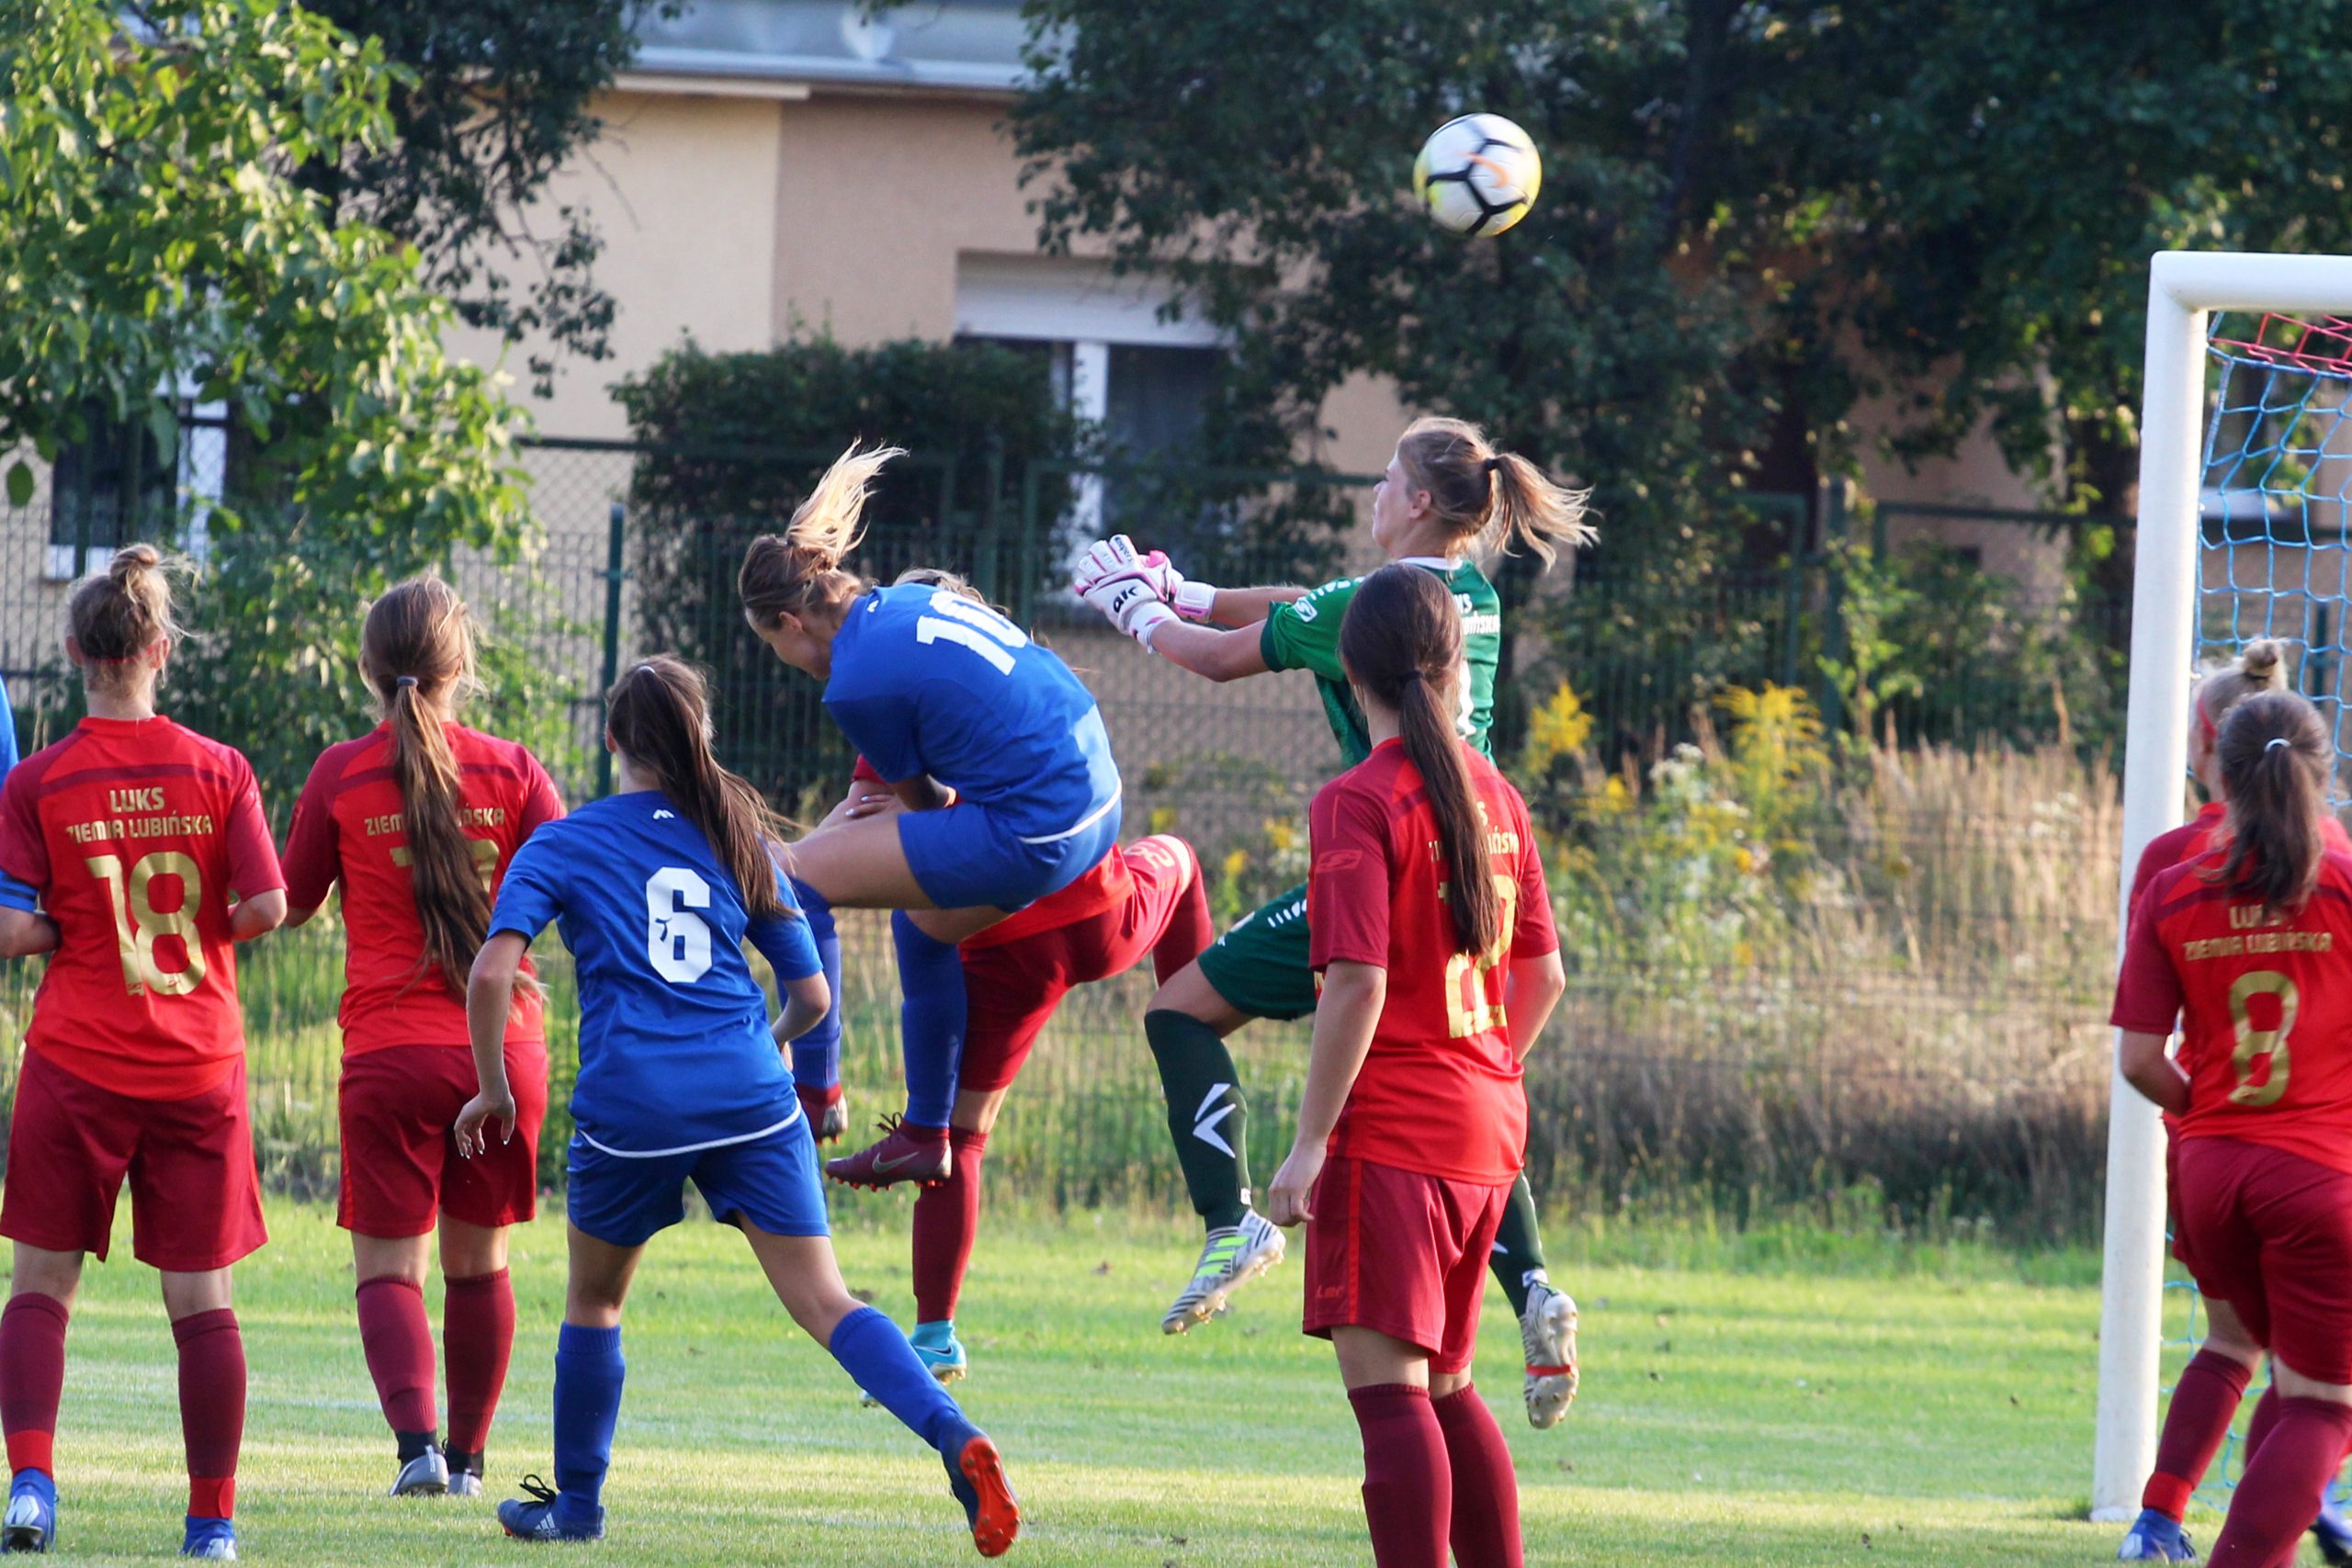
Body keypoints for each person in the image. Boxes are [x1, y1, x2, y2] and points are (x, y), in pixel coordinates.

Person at [1074, 414, 1587, 1427]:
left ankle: (1230, 1219)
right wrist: (1186, 587)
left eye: (1386, 479)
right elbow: (1309, 607)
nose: (1374, 494)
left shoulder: (1365, 617)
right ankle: (1530, 1280)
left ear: (1421, 502)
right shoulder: (1472, 597)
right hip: (1478, 859)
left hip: (1393, 855)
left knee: (1179, 1010)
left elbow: (1220, 657)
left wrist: (1131, 606)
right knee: (1472, 1059)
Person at [453, 657, 1019, 1557]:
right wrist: (772, 1042)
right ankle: (954, 1433)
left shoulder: (563, 841)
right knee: (827, 1300)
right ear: (700, 736)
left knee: (595, 1301)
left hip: (632, 1104)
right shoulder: (737, 836)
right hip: (751, 1095)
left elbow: (492, 973)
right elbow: (813, 996)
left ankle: (579, 1508)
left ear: (613, 739)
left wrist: (493, 1088)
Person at [1261, 564, 1564, 1568]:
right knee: (1447, 1387)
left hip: (1394, 1134)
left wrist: (1309, 1144)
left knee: (1392, 1402)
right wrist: (1479, 1071)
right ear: (1452, 666)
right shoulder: (1497, 796)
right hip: (1487, 1133)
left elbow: (1357, 981)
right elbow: (1545, 976)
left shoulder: (1357, 800)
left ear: (1351, 673)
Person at [0, 546, 288, 1560]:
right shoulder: (221, 768)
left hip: (77, 1057)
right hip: (196, 1063)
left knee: (40, 1287)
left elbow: (12, 927)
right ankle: (211, 1522)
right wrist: (205, 929)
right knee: (200, 1300)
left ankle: (32, 1486)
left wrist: (75, 929)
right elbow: (268, 903)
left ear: (74, 649)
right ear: (161, 648)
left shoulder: (38, 780)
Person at [737, 448, 1123, 1190]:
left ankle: (816, 1091)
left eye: (773, 644)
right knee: (921, 925)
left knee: (793, 881)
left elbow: (924, 806)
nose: (783, 657)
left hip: (1040, 823)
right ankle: (924, 1132)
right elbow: (904, 785)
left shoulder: (853, 682)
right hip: (1097, 801)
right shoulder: (902, 605)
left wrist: (820, 847)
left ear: (790, 621)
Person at [279, 577, 565, 1499]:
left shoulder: (341, 772)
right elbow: (571, 889)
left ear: (367, 670)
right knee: (479, 1264)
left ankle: (418, 1452)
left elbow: (289, 902)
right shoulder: (516, 770)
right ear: (461, 665)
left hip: (390, 1054)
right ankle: (471, 1462)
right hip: (502, 1052)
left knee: (390, 1269)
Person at [823, 752, 1213, 1380]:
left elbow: (866, 817)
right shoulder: (1039, 699)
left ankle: (935, 1334)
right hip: (1101, 907)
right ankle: (1212, 1130)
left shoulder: (889, 706)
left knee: (961, 1135)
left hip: (1006, 942)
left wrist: (794, 860)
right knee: (1180, 858)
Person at [2118, 640, 2352, 1562]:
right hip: (2318, 1173)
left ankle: (2188, 1519)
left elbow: (2140, 1057)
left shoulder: (2171, 880)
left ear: (2211, 753)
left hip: (2209, 1165)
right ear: (2318, 768)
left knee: (2273, 1368)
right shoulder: (2341, 876)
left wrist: (2207, 1114)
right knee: (2324, 1405)